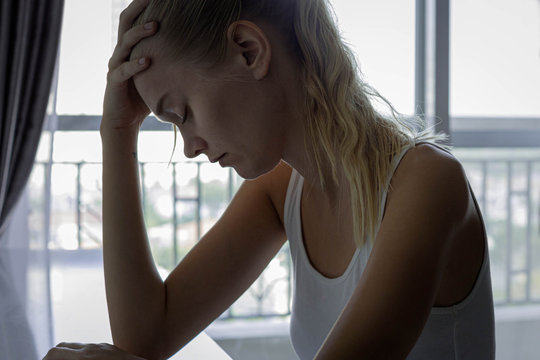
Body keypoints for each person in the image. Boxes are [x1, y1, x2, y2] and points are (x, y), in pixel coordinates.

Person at [44, 0, 495, 359]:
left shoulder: (429, 184)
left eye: (182, 115)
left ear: (249, 50)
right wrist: (117, 135)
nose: (190, 146)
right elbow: (147, 337)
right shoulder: (282, 189)